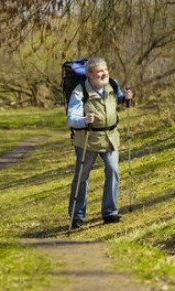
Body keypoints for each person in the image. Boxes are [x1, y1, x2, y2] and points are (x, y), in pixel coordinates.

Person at [66, 56, 133, 228]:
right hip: (87, 140)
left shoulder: (112, 85)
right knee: (82, 177)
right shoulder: (79, 92)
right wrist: (83, 120)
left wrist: (126, 97)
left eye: (105, 70)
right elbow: (71, 118)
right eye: (99, 71)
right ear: (89, 75)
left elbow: (118, 99)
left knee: (113, 171)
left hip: (110, 138)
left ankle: (110, 212)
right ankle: (77, 215)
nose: (104, 74)